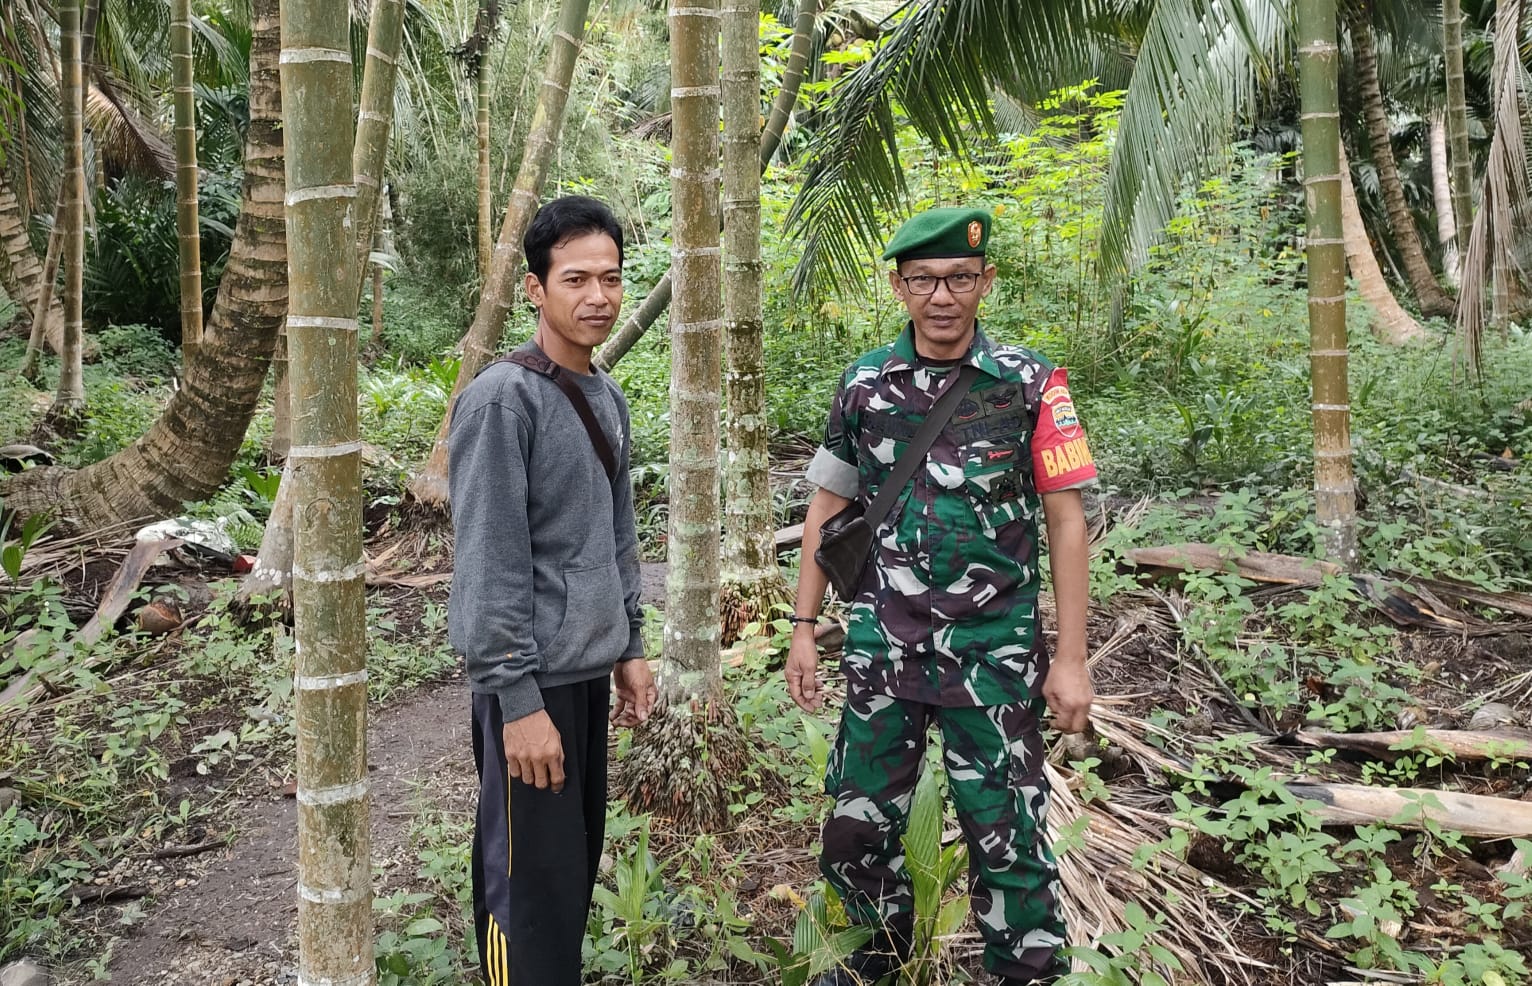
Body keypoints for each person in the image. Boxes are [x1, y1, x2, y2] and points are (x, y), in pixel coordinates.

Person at [786, 207, 1098, 986]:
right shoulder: (865, 384)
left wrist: (1071, 659)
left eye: (960, 278)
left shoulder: (1031, 383)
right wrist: (802, 626)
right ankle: (867, 970)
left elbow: (1066, 521)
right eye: (923, 280)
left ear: (986, 281)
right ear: (899, 287)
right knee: (859, 834)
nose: (943, 296)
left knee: (1011, 844)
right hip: (882, 655)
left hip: (991, 660)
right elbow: (828, 510)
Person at [447, 195, 658, 986]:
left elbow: (617, 536)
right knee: (524, 891)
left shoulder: (607, 396)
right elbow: (489, 559)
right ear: (536, 289)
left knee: (567, 879)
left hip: (584, 680)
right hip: (529, 687)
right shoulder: (504, 400)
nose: (597, 297)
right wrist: (517, 700)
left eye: (610, 278)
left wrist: (630, 648)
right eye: (575, 279)